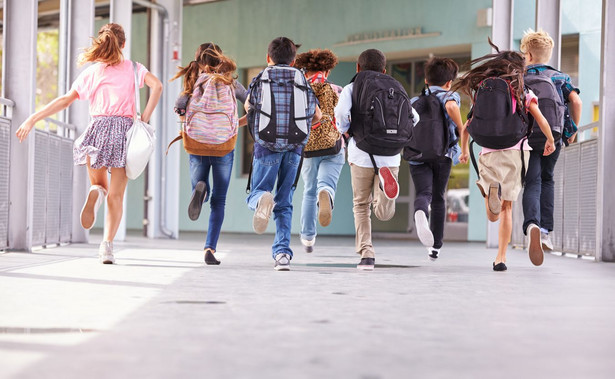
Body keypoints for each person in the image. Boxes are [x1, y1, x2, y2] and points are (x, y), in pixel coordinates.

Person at [16, 23, 162, 264]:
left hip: (96, 130)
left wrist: (33, 118)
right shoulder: (134, 68)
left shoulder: (93, 72)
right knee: (116, 196)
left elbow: (65, 100)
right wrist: (144, 118)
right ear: (123, 44)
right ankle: (107, 247)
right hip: (123, 133)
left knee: (99, 186)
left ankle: (95, 192)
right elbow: (157, 86)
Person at [452, 40, 555, 271]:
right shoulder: (522, 89)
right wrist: (549, 140)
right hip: (515, 151)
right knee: (507, 207)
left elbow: (467, 126)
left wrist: (464, 150)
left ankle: (491, 197)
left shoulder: (483, 88)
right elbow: (540, 118)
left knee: (492, 214)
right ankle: (501, 258)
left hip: (488, 152)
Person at [335, 49, 420, 270]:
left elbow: (341, 113)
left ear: (358, 68)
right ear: (384, 69)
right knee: (383, 213)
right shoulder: (395, 86)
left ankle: (367, 254)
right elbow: (415, 117)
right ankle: (385, 192)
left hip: (361, 153)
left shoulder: (352, 87)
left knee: (361, 205)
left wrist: (345, 130)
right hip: (391, 156)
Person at [244, 37, 321, 271]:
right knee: (285, 201)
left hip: (266, 145)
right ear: (294, 59)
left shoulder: (261, 78)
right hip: (295, 147)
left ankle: (261, 200)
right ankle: (282, 255)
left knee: (257, 192)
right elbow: (316, 115)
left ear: (269, 58)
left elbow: (249, 107)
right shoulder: (302, 79)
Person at [171, 43, 247, 265]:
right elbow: (252, 103)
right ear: (220, 60)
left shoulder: (193, 82)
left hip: (197, 143)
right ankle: (210, 248)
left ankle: (200, 191)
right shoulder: (231, 82)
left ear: (199, 62)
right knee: (219, 201)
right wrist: (237, 123)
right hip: (224, 145)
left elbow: (179, 106)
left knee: (200, 185)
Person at [520, 29, 582, 253]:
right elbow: (576, 102)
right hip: (553, 136)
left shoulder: (520, 77)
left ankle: (532, 224)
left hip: (525, 137)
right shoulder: (560, 77)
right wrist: (571, 130)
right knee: (547, 180)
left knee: (532, 181)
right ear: (548, 54)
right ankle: (545, 232)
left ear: (527, 55)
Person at [407, 57, 469, 261]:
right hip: (443, 154)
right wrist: (461, 130)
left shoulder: (414, 101)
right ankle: (435, 247)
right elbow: (451, 108)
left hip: (417, 154)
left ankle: (420, 212)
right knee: (439, 197)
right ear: (449, 82)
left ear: (426, 80)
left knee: (423, 193)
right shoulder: (450, 95)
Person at [293, 49, 345, 253]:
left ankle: (307, 237)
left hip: (307, 147)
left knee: (308, 190)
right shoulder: (336, 89)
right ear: (328, 70)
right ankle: (327, 193)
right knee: (326, 183)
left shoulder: (300, 90)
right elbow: (345, 119)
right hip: (332, 145)